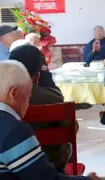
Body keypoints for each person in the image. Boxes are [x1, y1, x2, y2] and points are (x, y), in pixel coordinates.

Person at [9, 44, 73, 172]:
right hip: (48, 162)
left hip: (10, 163)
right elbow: (71, 129)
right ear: (38, 75)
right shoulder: (51, 97)